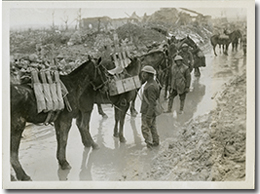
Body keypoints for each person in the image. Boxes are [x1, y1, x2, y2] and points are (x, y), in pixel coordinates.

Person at [140, 65, 160, 148]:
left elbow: (152, 103)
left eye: (144, 74)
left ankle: (149, 145)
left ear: (149, 75)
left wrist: (148, 115)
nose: (143, 75)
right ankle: (156, 142)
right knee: (152, 126)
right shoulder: (152, 83)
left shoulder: (151, 87)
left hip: (148, 111)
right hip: (151, 110)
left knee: (145, 128)